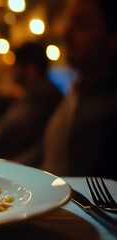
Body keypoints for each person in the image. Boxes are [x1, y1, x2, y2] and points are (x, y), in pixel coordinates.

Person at [40, 0, 117, 180]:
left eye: (82, 24)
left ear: (113, 37)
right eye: (68, 22)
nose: (65, 33)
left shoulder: (109, 104)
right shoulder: (79, 88)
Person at [0, 42, 63, 166]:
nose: (12, 71)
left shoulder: (41, 92)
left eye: (15, 66)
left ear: (30, 68)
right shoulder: (46, 90)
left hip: (32, 167)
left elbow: (2, 130)